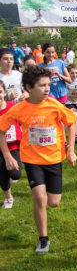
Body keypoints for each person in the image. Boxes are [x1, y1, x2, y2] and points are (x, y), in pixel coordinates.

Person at [0, 66, 77, 253]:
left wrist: (71, 150)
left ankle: (44, 213)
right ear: (28, 87)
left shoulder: (54, 105)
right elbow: (2, 130)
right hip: (32, 160)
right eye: (42, 86)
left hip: (53, 160)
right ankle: (43, 239)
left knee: (53, 202)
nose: (47, 89)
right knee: (39, 198)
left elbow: (72, 122)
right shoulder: (20, 109)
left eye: (48, 85)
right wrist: (8, 155)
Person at [0, 80, 22, 209]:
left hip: (13, 146)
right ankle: (8, 197)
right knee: (2, 175)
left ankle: (9, 174)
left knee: (16, 174)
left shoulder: (12, 107)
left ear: (4, 93)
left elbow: (23, 121)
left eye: (0, 92)